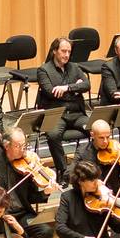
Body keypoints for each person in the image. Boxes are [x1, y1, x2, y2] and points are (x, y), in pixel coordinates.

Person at [36, 36, 91, 179]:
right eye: (63, 51)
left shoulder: (74, 67)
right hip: (57, 115)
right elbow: (51, 92)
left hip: (76, 114)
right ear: (55, 51)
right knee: (52, 135)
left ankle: (90, 166)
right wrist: (75, 89)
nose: (66, 55)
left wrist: (66, 87)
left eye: (69, 51)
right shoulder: (44, 70)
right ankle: (64, 171)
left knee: (96, 128)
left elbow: (87, 85)